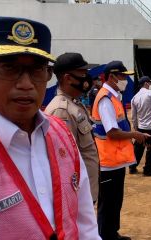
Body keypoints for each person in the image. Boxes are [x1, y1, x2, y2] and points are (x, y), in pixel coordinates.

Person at [0, 16, 100, 239]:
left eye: (38, 70)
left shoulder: (62, 135)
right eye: (9, 68)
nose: (26, 84)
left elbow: (85, 224)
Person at [92, 60, 150, 240]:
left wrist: (135, 134)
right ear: (111, 77)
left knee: (115, 200)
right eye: (123, 76)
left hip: (115, 160)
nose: (125, 80)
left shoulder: (114, 97)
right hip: (108, 160)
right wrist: (135, 135)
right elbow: (112, 132)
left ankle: (112, 233)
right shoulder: (105, 99)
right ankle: (105, 235)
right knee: (108, 202)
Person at [45, 52, 100, 203]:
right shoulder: (61, 110)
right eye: (82, 74)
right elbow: (64, 160)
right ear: (68, 78)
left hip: (85, 191)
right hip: (76, 195)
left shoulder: (74, 104)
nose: (86, 78)